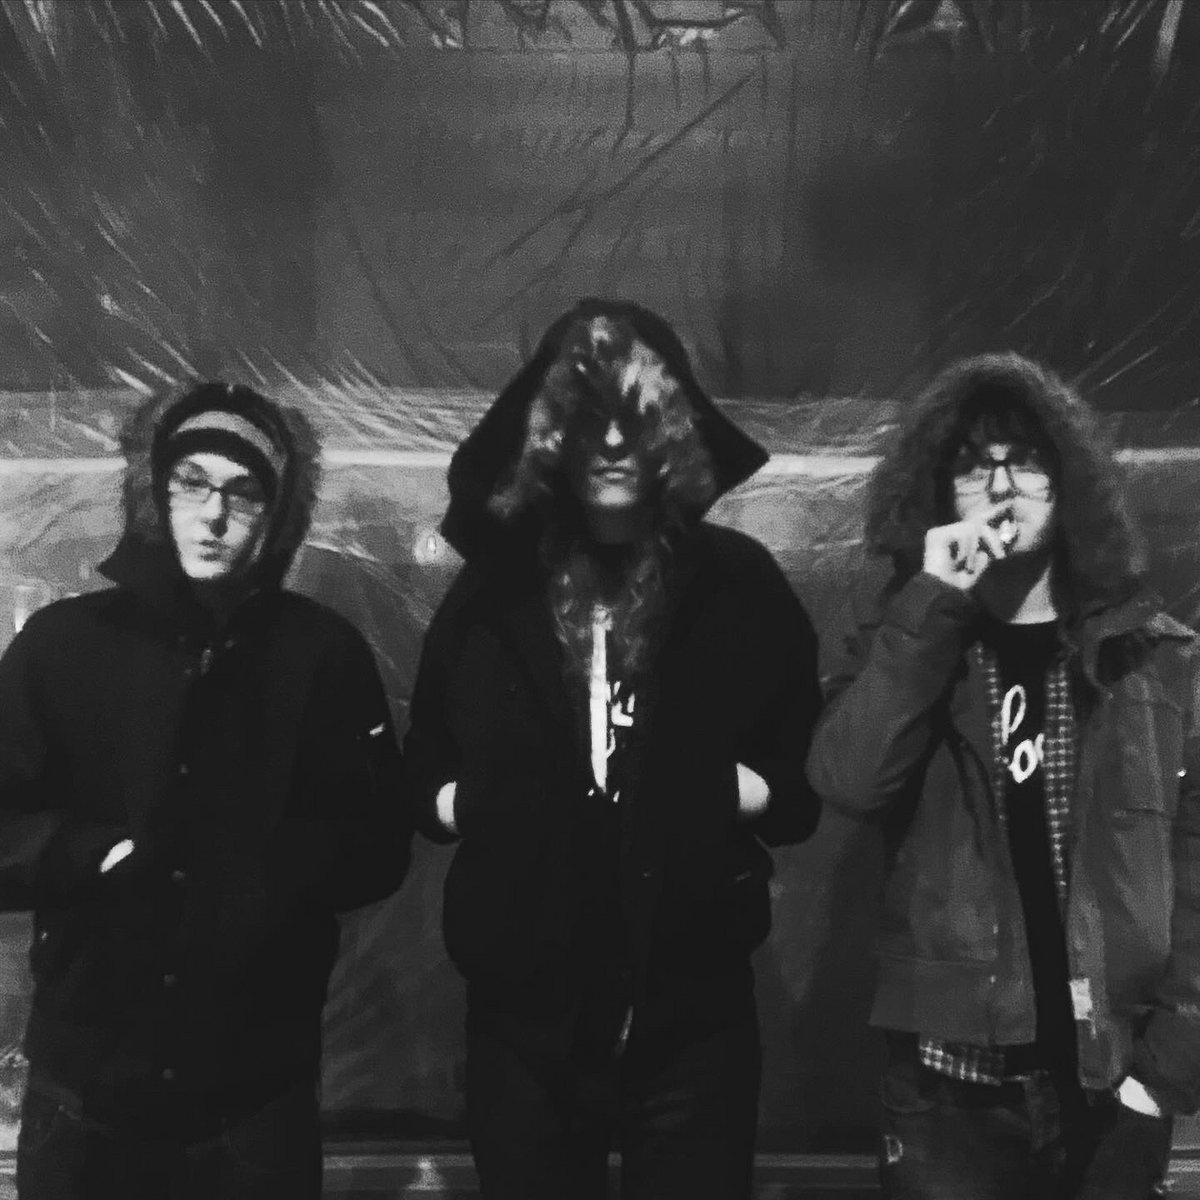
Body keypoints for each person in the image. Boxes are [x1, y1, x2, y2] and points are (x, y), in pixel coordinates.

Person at [402, 299, 822, 1200]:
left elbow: (801, 786)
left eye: (636, 416)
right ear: (553, 434)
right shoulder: (495, 593)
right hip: (524, 1018)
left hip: (692, 1016)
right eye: (588, 418)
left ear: (671, 428)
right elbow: (424, 770)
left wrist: (716, 791)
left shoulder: (737, 585)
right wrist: (475, 802)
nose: (615, 442)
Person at [0, 382, 409, 1199]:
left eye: (243, 491)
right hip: (88, 1087)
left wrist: (270, 873)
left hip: (252, 1093)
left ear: (277, 513)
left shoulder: (321, 654)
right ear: (155, 493)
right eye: (192, 482)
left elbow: (377, 844)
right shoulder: (63, 645)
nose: (215, 514)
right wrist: (95, 854)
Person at [807, 352, 1200, 1199]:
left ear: (1070, 482)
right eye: (972, 464)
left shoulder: (1153, 660)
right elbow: (846, 780)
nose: (999, 485)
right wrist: (933, 600)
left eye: (1025, 459)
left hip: (1110, 1079)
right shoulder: (908, 638)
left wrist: (1164, 1076)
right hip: (948, 1092)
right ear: (937, 491)